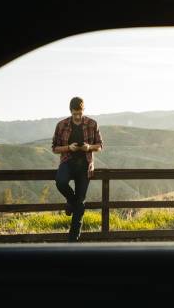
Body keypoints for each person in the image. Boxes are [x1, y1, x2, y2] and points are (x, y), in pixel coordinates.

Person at [51, 97, 104, 242]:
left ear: (83, 110)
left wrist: (89, 147)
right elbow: (54, 148)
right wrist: (69, 148)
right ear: (70, 111)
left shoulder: (92, 124)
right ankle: (72, 202)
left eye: (80, 113)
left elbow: (99, 145)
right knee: (60, 182)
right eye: (75, 114)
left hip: (85, 165)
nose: (78, 117)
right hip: (67, 162)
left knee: (80, 203)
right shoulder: (61, 125)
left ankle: (72, 241)